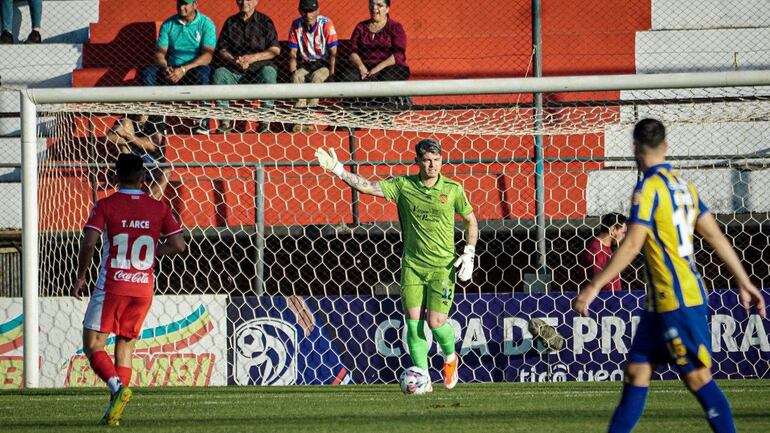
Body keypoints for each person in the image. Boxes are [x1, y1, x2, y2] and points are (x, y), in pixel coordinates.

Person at [573, 118, 766, 433]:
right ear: (666, 147)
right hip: (660, 303)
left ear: (635, 148)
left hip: (677, 300)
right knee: (636, 373)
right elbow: (716, 236)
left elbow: (633, 242)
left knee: (698, 378)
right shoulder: (684, 186)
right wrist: (745, 281)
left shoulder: (647, 188)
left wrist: (594, 285)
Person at [315, 138, 478, 391]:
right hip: (412, 266)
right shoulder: (403, 185)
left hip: (442, 268)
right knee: (413, 323)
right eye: (427, 160)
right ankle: (423, 377)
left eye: (436, 160)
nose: (432, 165)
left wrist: (469, 253)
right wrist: (338, 169)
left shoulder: (453, 189)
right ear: (417, 161)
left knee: (436, 323)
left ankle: (450, 358)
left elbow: (471, 221)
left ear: (442, 160)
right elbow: (367, 187)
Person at [72, 153, 186, 426]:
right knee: (125, 346)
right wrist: (151, 254)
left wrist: (81, 275)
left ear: (114, 176)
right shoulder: (157, 207)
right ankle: (115, 411)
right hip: (143, 288)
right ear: (143, 177)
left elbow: (89, 242)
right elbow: (180, 246)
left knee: (92, 344)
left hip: (112, 284)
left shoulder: (106, 205)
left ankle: (116, 387)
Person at [211, 0, 280, 133]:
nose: (244, 2)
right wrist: (234, 59)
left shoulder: (265, 21)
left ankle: (264, 122)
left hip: (259, 70)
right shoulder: (230, 22)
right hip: (235, 71)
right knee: (219, 73)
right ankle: (225, 123)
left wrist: (253, 58)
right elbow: (222, 50)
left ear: (256, 1)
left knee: (269, 72)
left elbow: (275, 49)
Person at [288, 0, 338, 132]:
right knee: (297, 77)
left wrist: (332, 75)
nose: (308, 14)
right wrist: (293, 71)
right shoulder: (296, 25)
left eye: (311, 11)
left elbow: (334, 53)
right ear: (300, 11)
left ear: (318, 11)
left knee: (316, 77)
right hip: (305, 63)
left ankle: (309, 119)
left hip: (323, 64)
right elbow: (292, 53)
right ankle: (300, 118)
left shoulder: (326, 24)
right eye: (304, 11)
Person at [141, 0, 216, 88]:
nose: (181, 7)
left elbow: (207, 56)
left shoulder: (206, 24)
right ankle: (153, 101)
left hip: (193, 68)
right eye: (179, 3)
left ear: (195, 5)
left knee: (203, 73)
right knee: (148, 73)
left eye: (185, 4)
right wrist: (165, 67)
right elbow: (159, 53)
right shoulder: (168, 24)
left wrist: (184, 69)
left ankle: (203, 102)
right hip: (172, 69)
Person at [340, 0, 409, 83]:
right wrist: (361, 67)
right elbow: (352, 51)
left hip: (389, 67)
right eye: (372, 5)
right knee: (347, 76)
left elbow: (399, 54)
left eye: (379, 5)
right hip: (364, 67)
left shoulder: (395, 27)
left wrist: (377, 69)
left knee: (387, 77)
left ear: (387, 9)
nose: (374, 8)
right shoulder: (361, 27)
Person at [106, 114, 170, 200]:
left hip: (150, 160)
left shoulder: (156, 117)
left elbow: (153, 145)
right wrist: (129, 142)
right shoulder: (128, 116)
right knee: (126, 122)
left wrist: (127, 135)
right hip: (132, 157)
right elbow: (109, 137)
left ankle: (146, 207)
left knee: (166, 172)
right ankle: (127, 168)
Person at [580, 213, 627, 291]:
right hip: (604, 300)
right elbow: (602, 283)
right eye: (623, 232)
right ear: (613, 230)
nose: (623, 236)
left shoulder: (607, 248)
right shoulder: (596, 250)